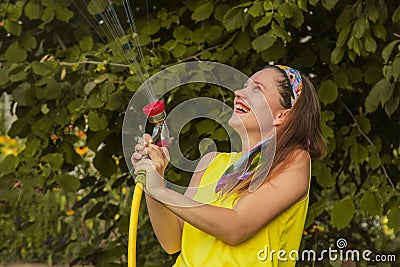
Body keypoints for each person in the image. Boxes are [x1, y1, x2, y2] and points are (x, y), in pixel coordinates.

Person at [131, 65, 326, 266]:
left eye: (256, 88)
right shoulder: (211, 162)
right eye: (244, 86)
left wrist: (161, 191)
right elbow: (173, 242)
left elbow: (236, 227)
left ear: (282, 115)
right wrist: (155, 176)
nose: (239, 93)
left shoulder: (293, 162)